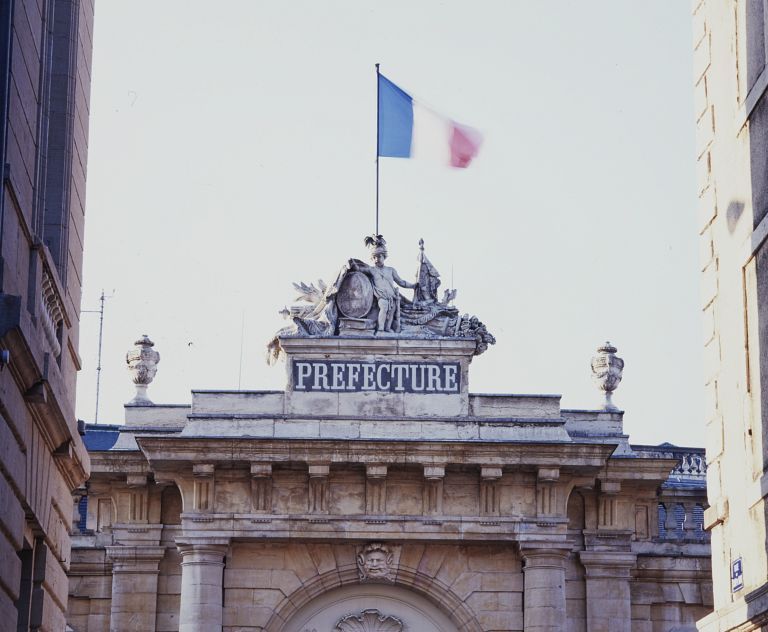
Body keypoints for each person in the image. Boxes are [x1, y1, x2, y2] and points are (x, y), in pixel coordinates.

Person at [349, 242, 417, 333]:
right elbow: (360, 270)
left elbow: (401, 282)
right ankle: (381, 329)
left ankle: (388, 328)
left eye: (379, 256)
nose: (377, 259)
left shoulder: (391, 270)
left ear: (384, 257)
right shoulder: (372, 270)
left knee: (391, 313)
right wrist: (354, 265)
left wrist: (413, 286)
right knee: (384, 307)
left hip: (392, 297)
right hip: (382, 296)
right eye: (374, 257)